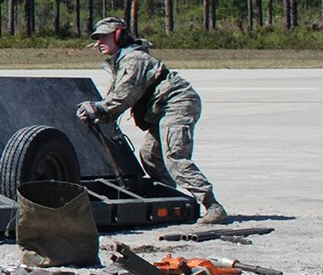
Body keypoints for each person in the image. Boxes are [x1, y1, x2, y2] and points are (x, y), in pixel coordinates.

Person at [76, 17, 228, 225]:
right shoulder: (123, 60)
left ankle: (213, 206)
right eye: (97, 38)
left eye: (104, 37)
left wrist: (97, 108)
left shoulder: (134, 59)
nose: (99, 42)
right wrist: (101, 112)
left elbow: (124, 96)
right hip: (162, 110)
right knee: (150, 155)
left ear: (119, 36)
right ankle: (169, 199)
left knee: (175, 156)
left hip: (176, 104)